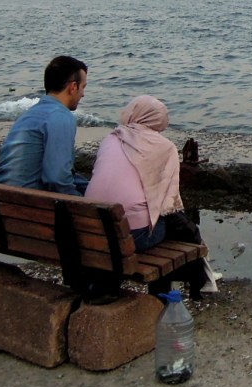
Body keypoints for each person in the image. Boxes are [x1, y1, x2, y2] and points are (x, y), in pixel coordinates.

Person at [86, 95, 218, 297]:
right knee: (168, 227)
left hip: (93, 228)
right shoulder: (164, 147)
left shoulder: (111, 138)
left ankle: (107, 287)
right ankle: (164, 296)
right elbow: (169, 205)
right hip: (134, 236)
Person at [0, 55, 90, 196]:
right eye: (83, 87)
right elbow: (57, 179)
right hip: (29, 207)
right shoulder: (60, 116)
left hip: (1, 200)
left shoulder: (29, 115)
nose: (83, 94)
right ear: (73, 87)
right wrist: (83, 201)